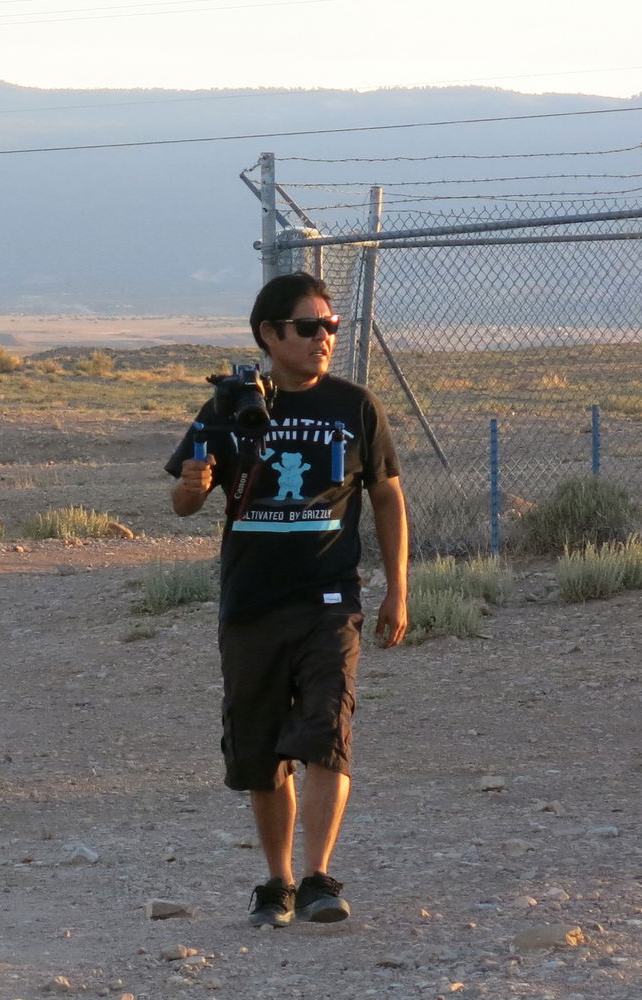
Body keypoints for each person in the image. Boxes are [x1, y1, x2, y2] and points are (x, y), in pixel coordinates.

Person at [165, 271, 408, 928]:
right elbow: (185, 502)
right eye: (308, 327)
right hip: (251, 604)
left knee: (328, 733)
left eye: (330, 327)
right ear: (270, 334)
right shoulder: (230, 405)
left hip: (331, 599)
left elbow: (386, 494)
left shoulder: (355, 405)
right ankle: (276, 885)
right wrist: (194, 481)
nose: (323, 338)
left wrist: (397, 588)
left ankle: (319, 877)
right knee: (262, 751)